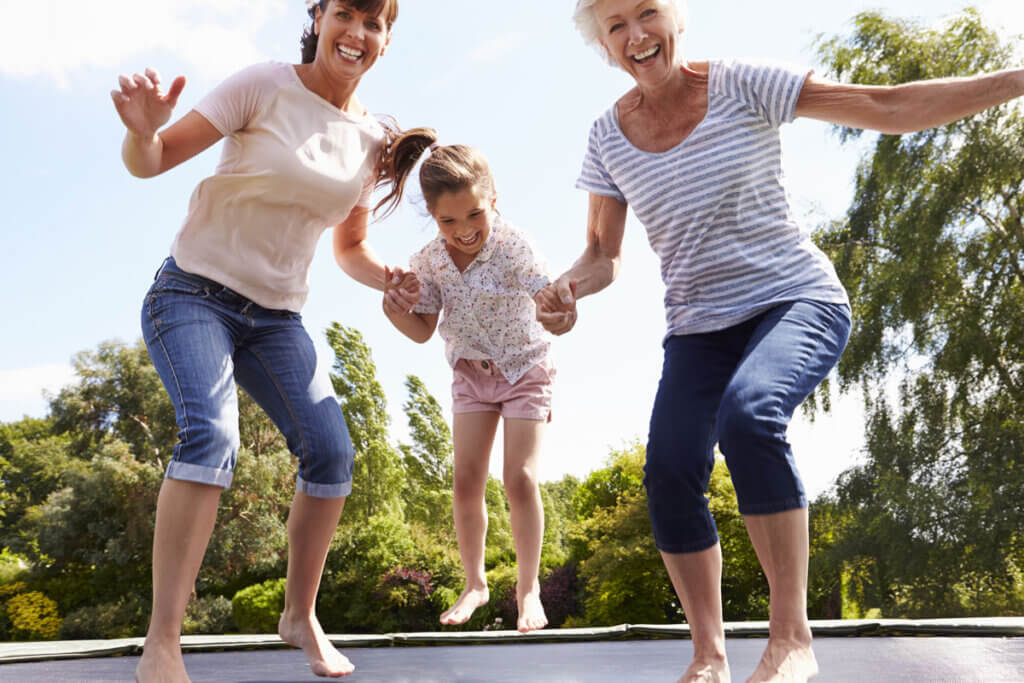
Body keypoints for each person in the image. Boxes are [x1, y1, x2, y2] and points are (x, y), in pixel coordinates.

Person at [535, 1, 1024, 681]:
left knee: (750, 414)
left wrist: (1017, 79)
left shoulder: (742, 83)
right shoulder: (607, 137)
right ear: (603, 43)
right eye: (617, 25)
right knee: (671, 471)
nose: (636, 34)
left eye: (648, 12)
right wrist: (567, 291)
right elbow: (600, 254)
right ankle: (709, 655)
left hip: (796, 300)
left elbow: (884, 107)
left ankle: (791, 637)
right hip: (698, 328)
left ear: (677, 19)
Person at [110, 1, 422, 680]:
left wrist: (389, 278)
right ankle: (163, 638)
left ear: (386, 41)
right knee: (210, 436)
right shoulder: (262, 84)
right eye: (347, 13)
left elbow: (352, 247)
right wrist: (142, 132)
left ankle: (298, 613)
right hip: (192, 294)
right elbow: (152, 159)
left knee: (332, 451)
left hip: (276, 319)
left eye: (374, 23)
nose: (357, 33)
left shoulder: (371, 141)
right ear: (320, 17)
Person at [378, 129, 554, 633]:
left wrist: (561, 308)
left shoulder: (516, 246)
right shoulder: (429, 260)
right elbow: (421, 329)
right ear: (433, 218)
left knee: (518, 478)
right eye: (448, 220)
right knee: (464, 480)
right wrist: (393, 311)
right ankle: (475, 583)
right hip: (471, 374)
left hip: (525, 368)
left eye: (475, 214)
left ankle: (528, 590)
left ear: (493, 200)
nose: (464, 229)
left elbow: (547, 295)